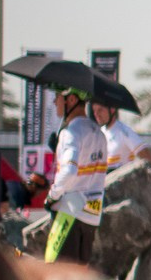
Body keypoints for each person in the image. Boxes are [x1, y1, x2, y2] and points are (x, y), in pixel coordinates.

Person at [43, 84, 109, 265]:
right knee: (79, 276)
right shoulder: (99, 134)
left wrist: (52, 196)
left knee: (56, 273)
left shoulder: (70, 132)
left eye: (58, 96)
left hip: (69, 212)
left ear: (71, 99)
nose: (55, 101)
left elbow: (69, 170)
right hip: (92, 213)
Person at [91, 96, 151, 178]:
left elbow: (148, 158)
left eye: (100, 110)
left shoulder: (124, 132)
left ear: (112, 109)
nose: (96, 114)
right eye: (94, 111)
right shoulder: (100, 133)